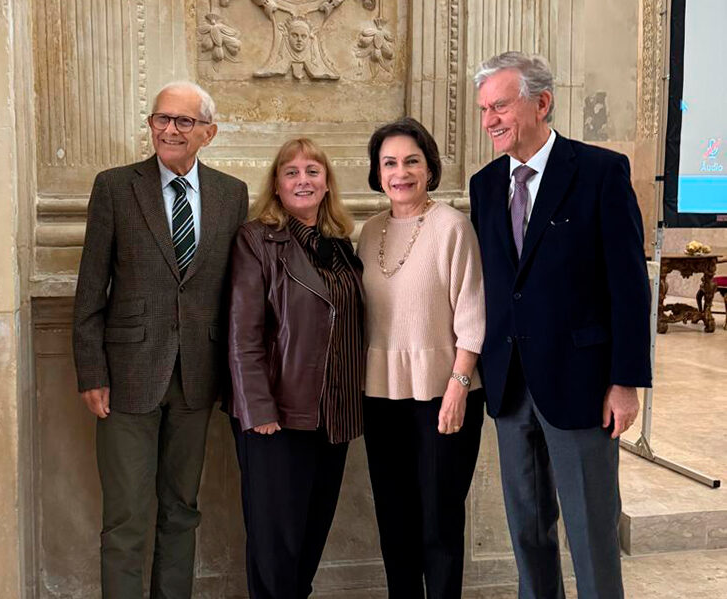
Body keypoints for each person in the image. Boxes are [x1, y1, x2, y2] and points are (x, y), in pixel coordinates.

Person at [469, 51, 651, 599]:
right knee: (528, 531)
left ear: (541, 102)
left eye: (500, 106)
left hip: (583, 384)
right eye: (483, 109)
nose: (489, 121)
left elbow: (628, 285)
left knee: (591, 529)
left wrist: (625, 382)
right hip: (509, 383)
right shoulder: (483, 185)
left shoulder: (599, 171)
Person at [72, 81, 249, 598]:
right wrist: (91, 372)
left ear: (208, 133)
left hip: (198, 377)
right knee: (126, 515)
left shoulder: (230, 194)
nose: (169, 129)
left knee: (181, 510)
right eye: (161, 119)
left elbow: (237, 292)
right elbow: (90, 288)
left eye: (183, 122)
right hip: (125, 378)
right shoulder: (114, 187)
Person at [226, 138, 365, 598]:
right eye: (291, 172)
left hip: (334, 414)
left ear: (327, 184)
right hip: (278, 416)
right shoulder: (256, 239)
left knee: (309, 538)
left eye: (312, 171)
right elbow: (243, 334)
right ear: (276, 185)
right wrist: (258, 409)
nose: (302, 180)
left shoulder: (342, 246)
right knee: (275, 545)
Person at [357, 117, 486, 598]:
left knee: (439, 519)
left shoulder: (453, 226)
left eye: (411, 161)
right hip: (380, 394)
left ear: (429, 168)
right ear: (377, 171)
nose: (400, 172)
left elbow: (473, 315)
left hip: (443, 394)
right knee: (394, 518)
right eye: (389, 162)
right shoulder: (369, 232)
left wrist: (458, 385)